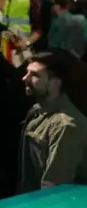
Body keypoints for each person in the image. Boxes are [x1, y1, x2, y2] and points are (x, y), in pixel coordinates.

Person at [18, 52, 87, 192]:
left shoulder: (66, 126)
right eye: (27, 72)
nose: (25, 78)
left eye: (35, 75)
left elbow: (54, 186)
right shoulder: (37, 111)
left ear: (57, 82)